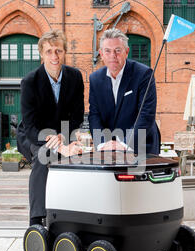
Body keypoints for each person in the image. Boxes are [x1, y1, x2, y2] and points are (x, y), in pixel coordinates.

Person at [17, 30, 85, 226]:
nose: (54, 56)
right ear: (41, 54)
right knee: (44, 157)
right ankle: (36, 220)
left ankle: (69, 216)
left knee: (78, 157)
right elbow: (29, 125)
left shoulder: (74, 77)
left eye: (58, 51)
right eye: (49, 52)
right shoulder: (30, 81)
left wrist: (64, 138)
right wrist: (54, 143)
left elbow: (77, 115)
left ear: (64, 52)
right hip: (34, 135)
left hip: (62, 132)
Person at [88, 28, 160, 154]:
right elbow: (94, 115)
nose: (113, 56)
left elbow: (146, 114)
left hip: (141, 146)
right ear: (101, 53)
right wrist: (102, 143)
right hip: (109, 149)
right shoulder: (95, 79)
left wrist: (125, 143)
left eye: (118, 50)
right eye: (108, 51)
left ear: (126, 52)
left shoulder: (144, 74)